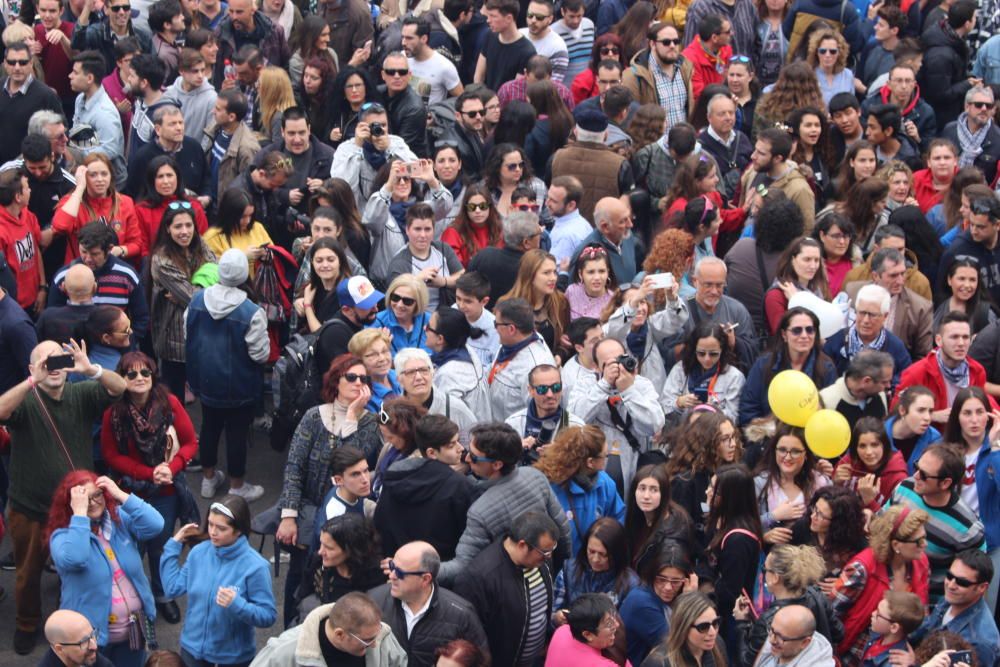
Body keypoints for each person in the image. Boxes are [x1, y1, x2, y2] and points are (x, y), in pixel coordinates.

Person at [0, 337, 127, 655]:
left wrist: (93, 369)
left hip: (75, 508)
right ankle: (27, 624)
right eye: (45, 362)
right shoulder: (25, 400)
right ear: (32, 368)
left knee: (73, 567)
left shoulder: (81, 393)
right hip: (28, 506)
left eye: (58, 360)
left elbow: (119, 387)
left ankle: (66, 620)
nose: (53, 368)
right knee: (28, 572)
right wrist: (32, 382)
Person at [101, 351, 199, 626]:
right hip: (129, 492)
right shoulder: (113, 412)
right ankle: (132, 601)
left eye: (145, 372)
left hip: (165, 492)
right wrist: (148, 473)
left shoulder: (169, 404)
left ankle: (162, 595)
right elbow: (110, 455)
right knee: (130, 550)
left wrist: (172, 467)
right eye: (131, 374)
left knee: (160, 547)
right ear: (121, 379)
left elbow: (191, 442)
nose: (140, 378)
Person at [47, 472, 164, 667]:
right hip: (91, 642)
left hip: (134, 631)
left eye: (97, 494)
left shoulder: (118, 520)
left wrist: (121, 495)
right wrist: (80, 516)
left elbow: (156, 525)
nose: (92, 502)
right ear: (72, 504)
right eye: (85, 499)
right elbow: (76, 558)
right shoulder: (61, 538)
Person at [438, 423, 571, 583]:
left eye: (473, 457)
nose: (466, 459)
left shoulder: (480, 512)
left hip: (506, 587)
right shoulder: (535, 476)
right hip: (542, 574)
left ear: (497, 464)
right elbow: (563, 532)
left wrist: (422, 569)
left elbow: (462, 566)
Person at [162, 495, 277, 666]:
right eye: (210, 524)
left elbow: (268, 616)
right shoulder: (198, 553)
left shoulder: (256, 566)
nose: (212, 532)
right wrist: (173, 546)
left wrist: (237, 604)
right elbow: (172, 588)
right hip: (192, 651)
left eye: (221, 528)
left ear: (238, 530)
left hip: (233, 659)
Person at [453, 511, 560, 667]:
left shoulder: (540, 560)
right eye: (545, 552)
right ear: (523, 545)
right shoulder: (479, 578)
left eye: (551, 550)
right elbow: (470, 636)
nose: (549, 556)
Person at [826, 506, 929, 666]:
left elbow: (921, 616)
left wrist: (913, 658)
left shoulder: (921, 563)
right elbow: (831, 616)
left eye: (924, 537)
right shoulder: (861, 569)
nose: (925, 545)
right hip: (851, 656)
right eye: (918, 541)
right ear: (896, 545)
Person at [569, 336, 666, 493]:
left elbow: (655, 424)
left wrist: (628, 390)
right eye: (609, 364)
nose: (617, 367)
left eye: (620, 359)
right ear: (596, 366)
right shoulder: (586, 384)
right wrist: (604, 386)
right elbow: (573, 420)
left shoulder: (641, 384)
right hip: (597, 466)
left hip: (634, 463)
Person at [369, 541, 490, 667]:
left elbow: (480, 661)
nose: (392, 575)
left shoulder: (461, 615)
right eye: (392, 566)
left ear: (426, 579)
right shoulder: (373, 602)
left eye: (400, 573)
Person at [890, 444, 986, 602]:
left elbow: (974, 581)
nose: (915, 476)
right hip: (890, 590)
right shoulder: (904, 488)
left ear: (945, 483)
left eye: (924, 475)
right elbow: (883, 525)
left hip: (931, 605)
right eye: (916, 467)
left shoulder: (968, 529)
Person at [374, 415, 474, 560]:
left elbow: (381, 522)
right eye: (451, 445)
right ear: (431, 453)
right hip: (439, 567)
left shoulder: (395, 476)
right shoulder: (458, 485)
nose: (460, 448)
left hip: (399, 563)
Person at [732, 544, 842, 666]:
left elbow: (747, 662)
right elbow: (838, 632)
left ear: (775, 577)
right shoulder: (817, 595)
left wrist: (742, 623)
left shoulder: (770, 621)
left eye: (764, 569)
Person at [49, 222, 150, 341]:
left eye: (94, 254)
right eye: (84, 252)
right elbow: (53, 317)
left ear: (109, 249)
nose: (88, 259)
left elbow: (141, 318)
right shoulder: (64, 276)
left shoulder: (127, 276)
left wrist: (128, 343)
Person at [250, 591, 406, 667]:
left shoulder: (381, 635)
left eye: (375, 636)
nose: (374, 644)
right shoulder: (283, 653)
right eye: (366, 640)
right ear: (340, 634)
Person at [894, 312, 993, 430]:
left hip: (965, 438)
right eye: (954, 337)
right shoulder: (917, 372)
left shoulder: (977, 370)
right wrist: (932, 415)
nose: (961, 343)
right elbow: (895, 413)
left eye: (965, 337)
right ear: (939, 340)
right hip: (929, 440)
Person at [536, 425, 626, 555]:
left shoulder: (606, 484)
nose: (607, 459)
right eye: (605, 456)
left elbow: (618, 519)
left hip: (593, 562)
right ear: (590, 462)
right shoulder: (551, 485)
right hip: (559, 564)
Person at [740, 307, 837, 425]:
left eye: (810, 330)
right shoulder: (764, 365)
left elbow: (829, 414)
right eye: (797, 330)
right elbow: (749, 409)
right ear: (784, 335)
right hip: (769, 436)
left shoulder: (826, 368)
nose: (804, 335)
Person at [908, 549, 999, 667]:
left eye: (962, 582)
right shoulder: (951, 599)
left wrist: (914, 662)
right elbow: (927, 629)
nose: (951, 585)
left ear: (982, 587)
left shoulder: (981, 642)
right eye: (949, 576)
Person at [51, 154, 141, 266]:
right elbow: (60, 226)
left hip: (113, 268)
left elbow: (137, 244)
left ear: (111, 176)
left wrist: (120, 250)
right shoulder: (73, 201)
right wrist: (79, 188)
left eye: (104, 174)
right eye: (93, 175)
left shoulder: (125, 202)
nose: (100, 179)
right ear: (84, 177)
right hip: (81, 270)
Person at [844, 248, 933, 359]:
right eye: (893, 276)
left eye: (902, 273)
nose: (900, 281)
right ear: (875, 276)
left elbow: (923, 356)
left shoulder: (920, 308)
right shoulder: (853, 292)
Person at [553, 517, 639, 615]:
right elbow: (553, 612)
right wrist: (556, 618)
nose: (595, 559)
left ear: (616, 553)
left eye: (603, 554)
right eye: (591, 551)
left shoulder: (631, 585)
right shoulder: (568, 570)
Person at [662, 322, 744, 422]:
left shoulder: (734, 376)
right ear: (693, 350)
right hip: (683, 433)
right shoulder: (680, 369)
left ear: (722, 351)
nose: (707, 359)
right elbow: (663, 409)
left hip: (716, 434)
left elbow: (734, 418)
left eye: (713, 354)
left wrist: (713, 409)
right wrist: (679, 403)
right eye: (701, 353)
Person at [387, 205, 464, 311]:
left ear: (433, 230)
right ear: (407, 230)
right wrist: (417, 279)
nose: (423, 235)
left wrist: (443, 281)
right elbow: (395, 301)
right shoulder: (399, 262)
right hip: (415, 316)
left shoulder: (443, 248)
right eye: (417, 229)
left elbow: (463, 277)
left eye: (427, 229)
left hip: (447, 311)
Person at [69, 51, 127, 190]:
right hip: (86, 175)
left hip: (108, 183)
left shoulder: (104, 113)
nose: (70, 76)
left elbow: (110, 149)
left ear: (89, 78)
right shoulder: (80, 99)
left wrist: (77, 156)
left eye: (75, 73)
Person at [738, 127, 815, 231]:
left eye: (761, 153)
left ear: (778, 158)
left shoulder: (799, 190)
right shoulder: (753, 171)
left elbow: (806, 230)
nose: (753, 156)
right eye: (755, 149)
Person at [621, 22, 693, 130]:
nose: (672, 46)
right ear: (652, 44)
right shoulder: (634, 76)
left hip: (683, 143)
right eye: (666, 42)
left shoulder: (685, 68)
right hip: (653, 144)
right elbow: (628, 118)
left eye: (676, 41)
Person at [919, 0, 979, 131]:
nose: (976, 20)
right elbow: (940, 94)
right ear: (967, 23)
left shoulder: (953, 41)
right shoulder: (941, 56)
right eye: (974, 17)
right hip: (940, 118)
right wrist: (967, 84)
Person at [0, 41, 63, 165]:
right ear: (5, 64)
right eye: (12, 62)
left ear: (31, 63)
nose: (17, 67)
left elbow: (60, 131)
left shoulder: (46, 95)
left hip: (30, 168)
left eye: (23, 62)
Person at [313, 276, 383, 380]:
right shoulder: (335, 334)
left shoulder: (360, 321)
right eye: (367, 305)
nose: (375, 308)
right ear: (347, 310)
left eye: (374, 300)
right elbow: (350, 376)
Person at [832, 416, 908, 511]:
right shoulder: (848, 462)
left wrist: (869, 501)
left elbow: (893, 523)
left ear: (885, 445)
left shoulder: (898, 478)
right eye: (862, 446)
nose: (868, 452)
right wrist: (835, 483)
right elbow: (830, 503)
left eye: (874, 445)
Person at [426, 308, 490, 419]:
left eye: (428, 327)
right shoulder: (466, 349)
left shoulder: (448, 374)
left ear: (440, 339)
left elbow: (446, 418)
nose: (424, 329)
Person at [201, 89, 262, 204]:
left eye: (218, 109)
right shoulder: (216, 128)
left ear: (231, 117)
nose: (213, 111)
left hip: (226, 207)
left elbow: (247, 188)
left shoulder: (247, 148)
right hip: (209, 200)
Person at [863, 64, 937, 154]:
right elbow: (863, 139)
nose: (904, 86)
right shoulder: (870, 106)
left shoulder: (925, 112)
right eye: (899, 81)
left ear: (914, 85)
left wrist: (918, 139)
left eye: (908, 81)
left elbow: (931, 148)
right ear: (888, 84)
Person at [763, 237, 829, 336]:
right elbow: (782, 336)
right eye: (807, 259)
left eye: (816, 260)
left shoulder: (817, 289)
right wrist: (796, 302)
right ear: (792, 260)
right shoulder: (776, 295)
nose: (813, 266)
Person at [0, 169, 45, 315]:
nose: (30, 190)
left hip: (34, 298)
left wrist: (43, 287)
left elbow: (36, 249)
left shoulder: (28, 215)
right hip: (11, 307)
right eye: (27, 187)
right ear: (18, 197)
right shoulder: (2, 230)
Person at [71, 0, 153, 76]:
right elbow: (76, 43)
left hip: (135, 87)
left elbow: (152, 65)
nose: (122, 12)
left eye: (126, 8)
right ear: (106, 10)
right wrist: (87, 7)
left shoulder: (142, 36)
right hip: (106, 87)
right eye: (116, 9)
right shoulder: (96, 33)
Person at [545, 593, 622, 667]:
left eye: (614, 617)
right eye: (609, 624)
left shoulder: (562, 630)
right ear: (587, 635)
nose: (617, 625)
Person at [475, 0, 537, 92]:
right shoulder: (490, 36)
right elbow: (478, 77)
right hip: (485, 99)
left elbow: (515, 91)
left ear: (509, 18)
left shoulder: (527, 51)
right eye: (488, 16)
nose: (488, 20)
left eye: (493, 16)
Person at [819, 350, 894, 423]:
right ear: (866, 381)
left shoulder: (880, 395)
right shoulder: (826, 400)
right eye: (884, 382)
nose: (888, 386)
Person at [750, 605, 836, 667]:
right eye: (771, 630)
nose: (771, 640)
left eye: (781, 637)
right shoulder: (777, 634)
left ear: (805, 642)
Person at [403, 16, 463, 105]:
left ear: (424, 39)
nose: (403, 42)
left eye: (409, 38)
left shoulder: (444, 66)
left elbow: (461, 100)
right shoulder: (400, 59)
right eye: (403, 37)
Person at [934, 257, 995, 335]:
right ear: (949, 280)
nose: (967, 285)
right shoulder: (938, 305)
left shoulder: (986, 313)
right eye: (961, 279)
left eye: (972, 280)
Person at [681, 15, 734, 101]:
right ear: (714, 38)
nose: (732, 33)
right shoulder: (689, 59)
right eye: (727, 32)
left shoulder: (726, 49)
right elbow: (699, 95)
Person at [39, 609, 116, 667]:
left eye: (93, 634)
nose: (94, 646)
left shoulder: (87, 656)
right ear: (60, 649)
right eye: (84, 642)